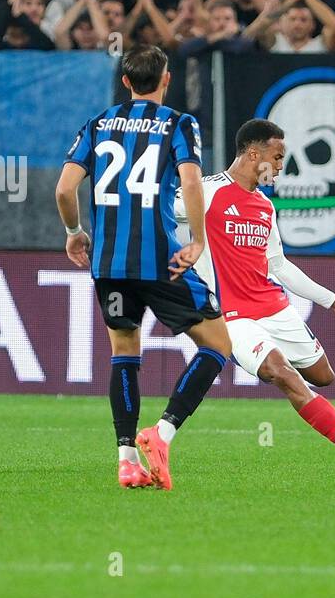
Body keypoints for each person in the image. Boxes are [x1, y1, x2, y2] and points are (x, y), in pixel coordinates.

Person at [55, 44, 232, 490]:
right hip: (159, 259)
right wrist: (197, 241)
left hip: (109, 263)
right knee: (217, 346)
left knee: (124, 353)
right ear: (166, 80)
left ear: (127, 82)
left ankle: (126, 459)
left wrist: (75, 231)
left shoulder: (98, 124)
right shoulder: (179, 123)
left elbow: (63, 190)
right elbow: (191, 180)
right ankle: (163, 429)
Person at [176, 118, 335, 475]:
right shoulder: (206, 191)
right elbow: (159, 208)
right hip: (231, 317)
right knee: (285, 375)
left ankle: (268, 360)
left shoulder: (264, 207)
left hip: (273, 307)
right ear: (254, 154)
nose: (280, 167)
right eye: (277, 158)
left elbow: (280, 266)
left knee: (323, 376)